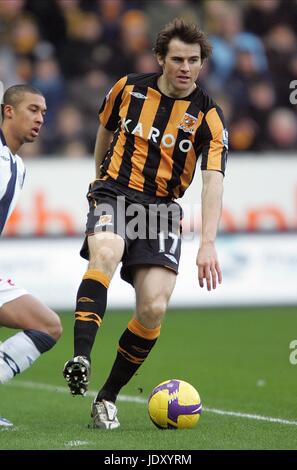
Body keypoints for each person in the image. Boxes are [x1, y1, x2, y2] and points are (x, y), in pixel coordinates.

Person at [63, 19, 227, 429]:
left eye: (193, 60)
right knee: (106, 251)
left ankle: (106, 398)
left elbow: (213, 182)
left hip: (161, 211)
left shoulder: (208, 118)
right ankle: (81, 355)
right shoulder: (128, 88)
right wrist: (98, 175)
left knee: (153, 306)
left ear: (202, 63)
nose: (185, 67)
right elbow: (105, 128)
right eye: (177, 59)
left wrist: (208, 242)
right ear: (160, 59)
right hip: (114, 192)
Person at [0, 85, 62, 427]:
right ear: (8, 111)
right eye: (33, 109)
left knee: (47, 325)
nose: (40, 118)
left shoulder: (17, 166)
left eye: (43, 113)